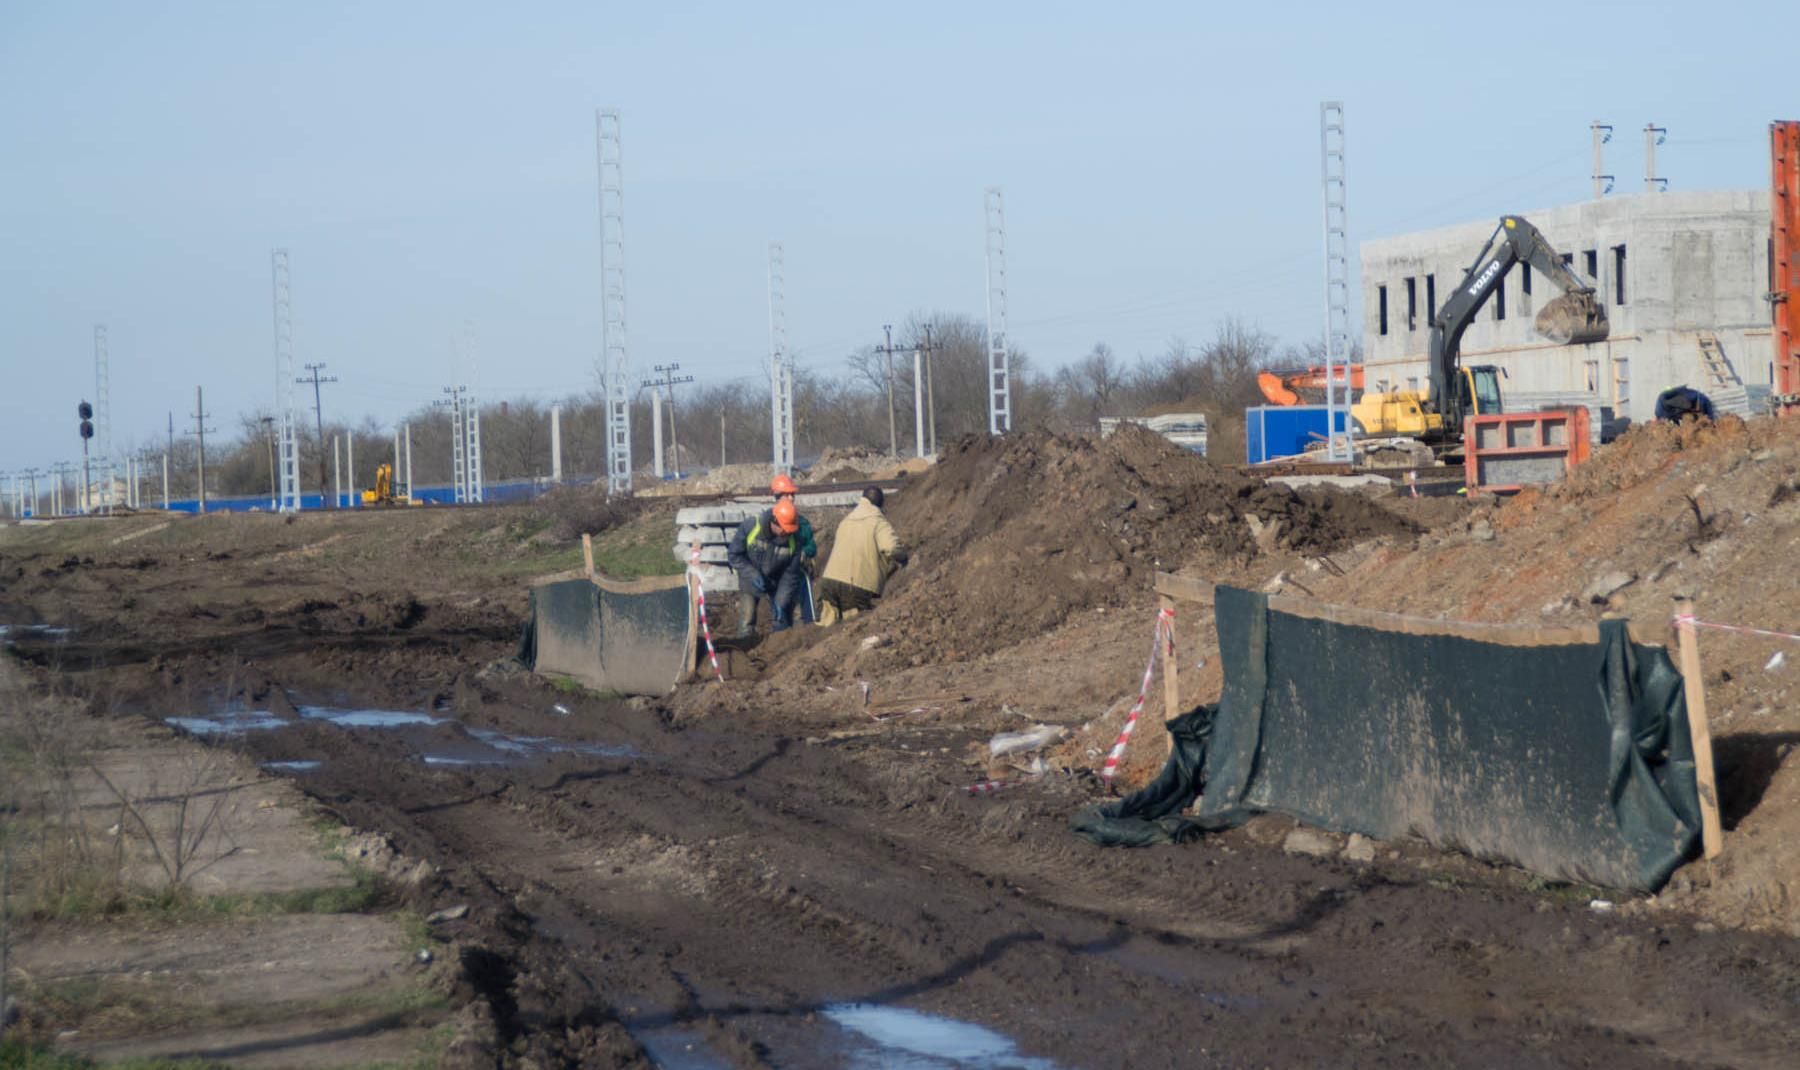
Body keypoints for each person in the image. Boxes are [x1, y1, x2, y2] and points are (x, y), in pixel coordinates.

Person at [816, 486, 909, 627]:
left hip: (829, 580)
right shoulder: (878, 522)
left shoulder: (846, 520)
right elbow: (891, 547)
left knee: (827, 626)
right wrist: (903, 557)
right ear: (880, 504)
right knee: (852, 628)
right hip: (855, 585)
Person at [727, 498, 810, 637]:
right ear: (774, 522)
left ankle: (782, 649)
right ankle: (745, 646)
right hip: (749, 579)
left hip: (776, 581)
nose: (787, 533)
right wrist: (752, 574)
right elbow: (734, 555)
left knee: (781, 619)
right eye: (784, 529)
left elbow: (790, 576)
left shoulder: (794, 540)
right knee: (747, 618)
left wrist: (780, 603)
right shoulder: (751, 527)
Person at [770, 473, 819, 619]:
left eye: (792, 495)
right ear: (778, 496)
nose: (791, 498)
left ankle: (809, 628)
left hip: (798, 572)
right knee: (781, 612)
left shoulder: (801, 522)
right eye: (787, 494)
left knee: (806, 601)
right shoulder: (768, 522)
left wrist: (804, 553)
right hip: (777, 574)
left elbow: (812, 546)